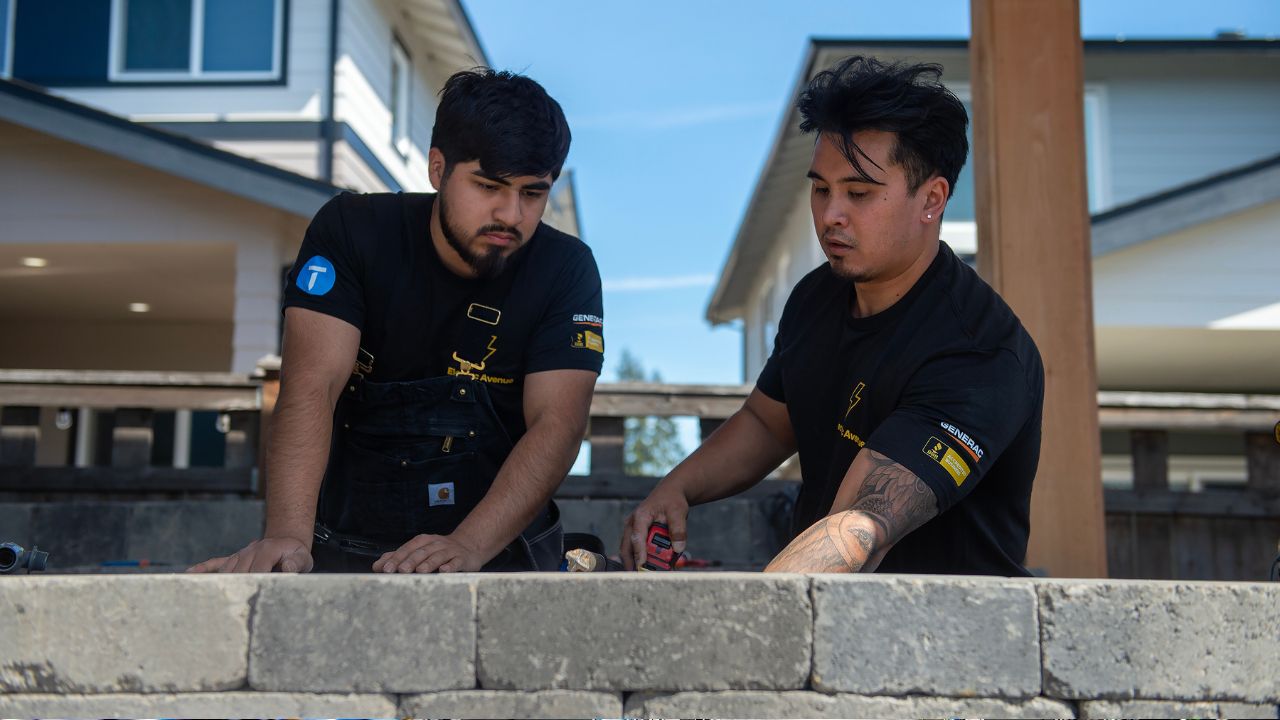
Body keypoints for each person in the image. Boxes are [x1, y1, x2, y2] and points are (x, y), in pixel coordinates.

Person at [623, 56, 1044, 576]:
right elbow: (767, 422)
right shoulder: (817, 296)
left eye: (859, 193)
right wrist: (676, 488)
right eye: (821, 189)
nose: (830, 215)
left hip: (947, 640)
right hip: (829, 617)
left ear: (932, 199)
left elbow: (858, 528)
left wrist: (754, 618)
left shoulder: (979, 351)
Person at [190, 69, 603, 574]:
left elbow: (558, 422)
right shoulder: (351, 232)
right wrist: (287, 537)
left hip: (501, 554)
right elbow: (311, 386)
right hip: (344, 545)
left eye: (532, 194)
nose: (511, 215)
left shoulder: (566, 268)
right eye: (488, 186)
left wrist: (469, 545)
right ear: (437, 169)